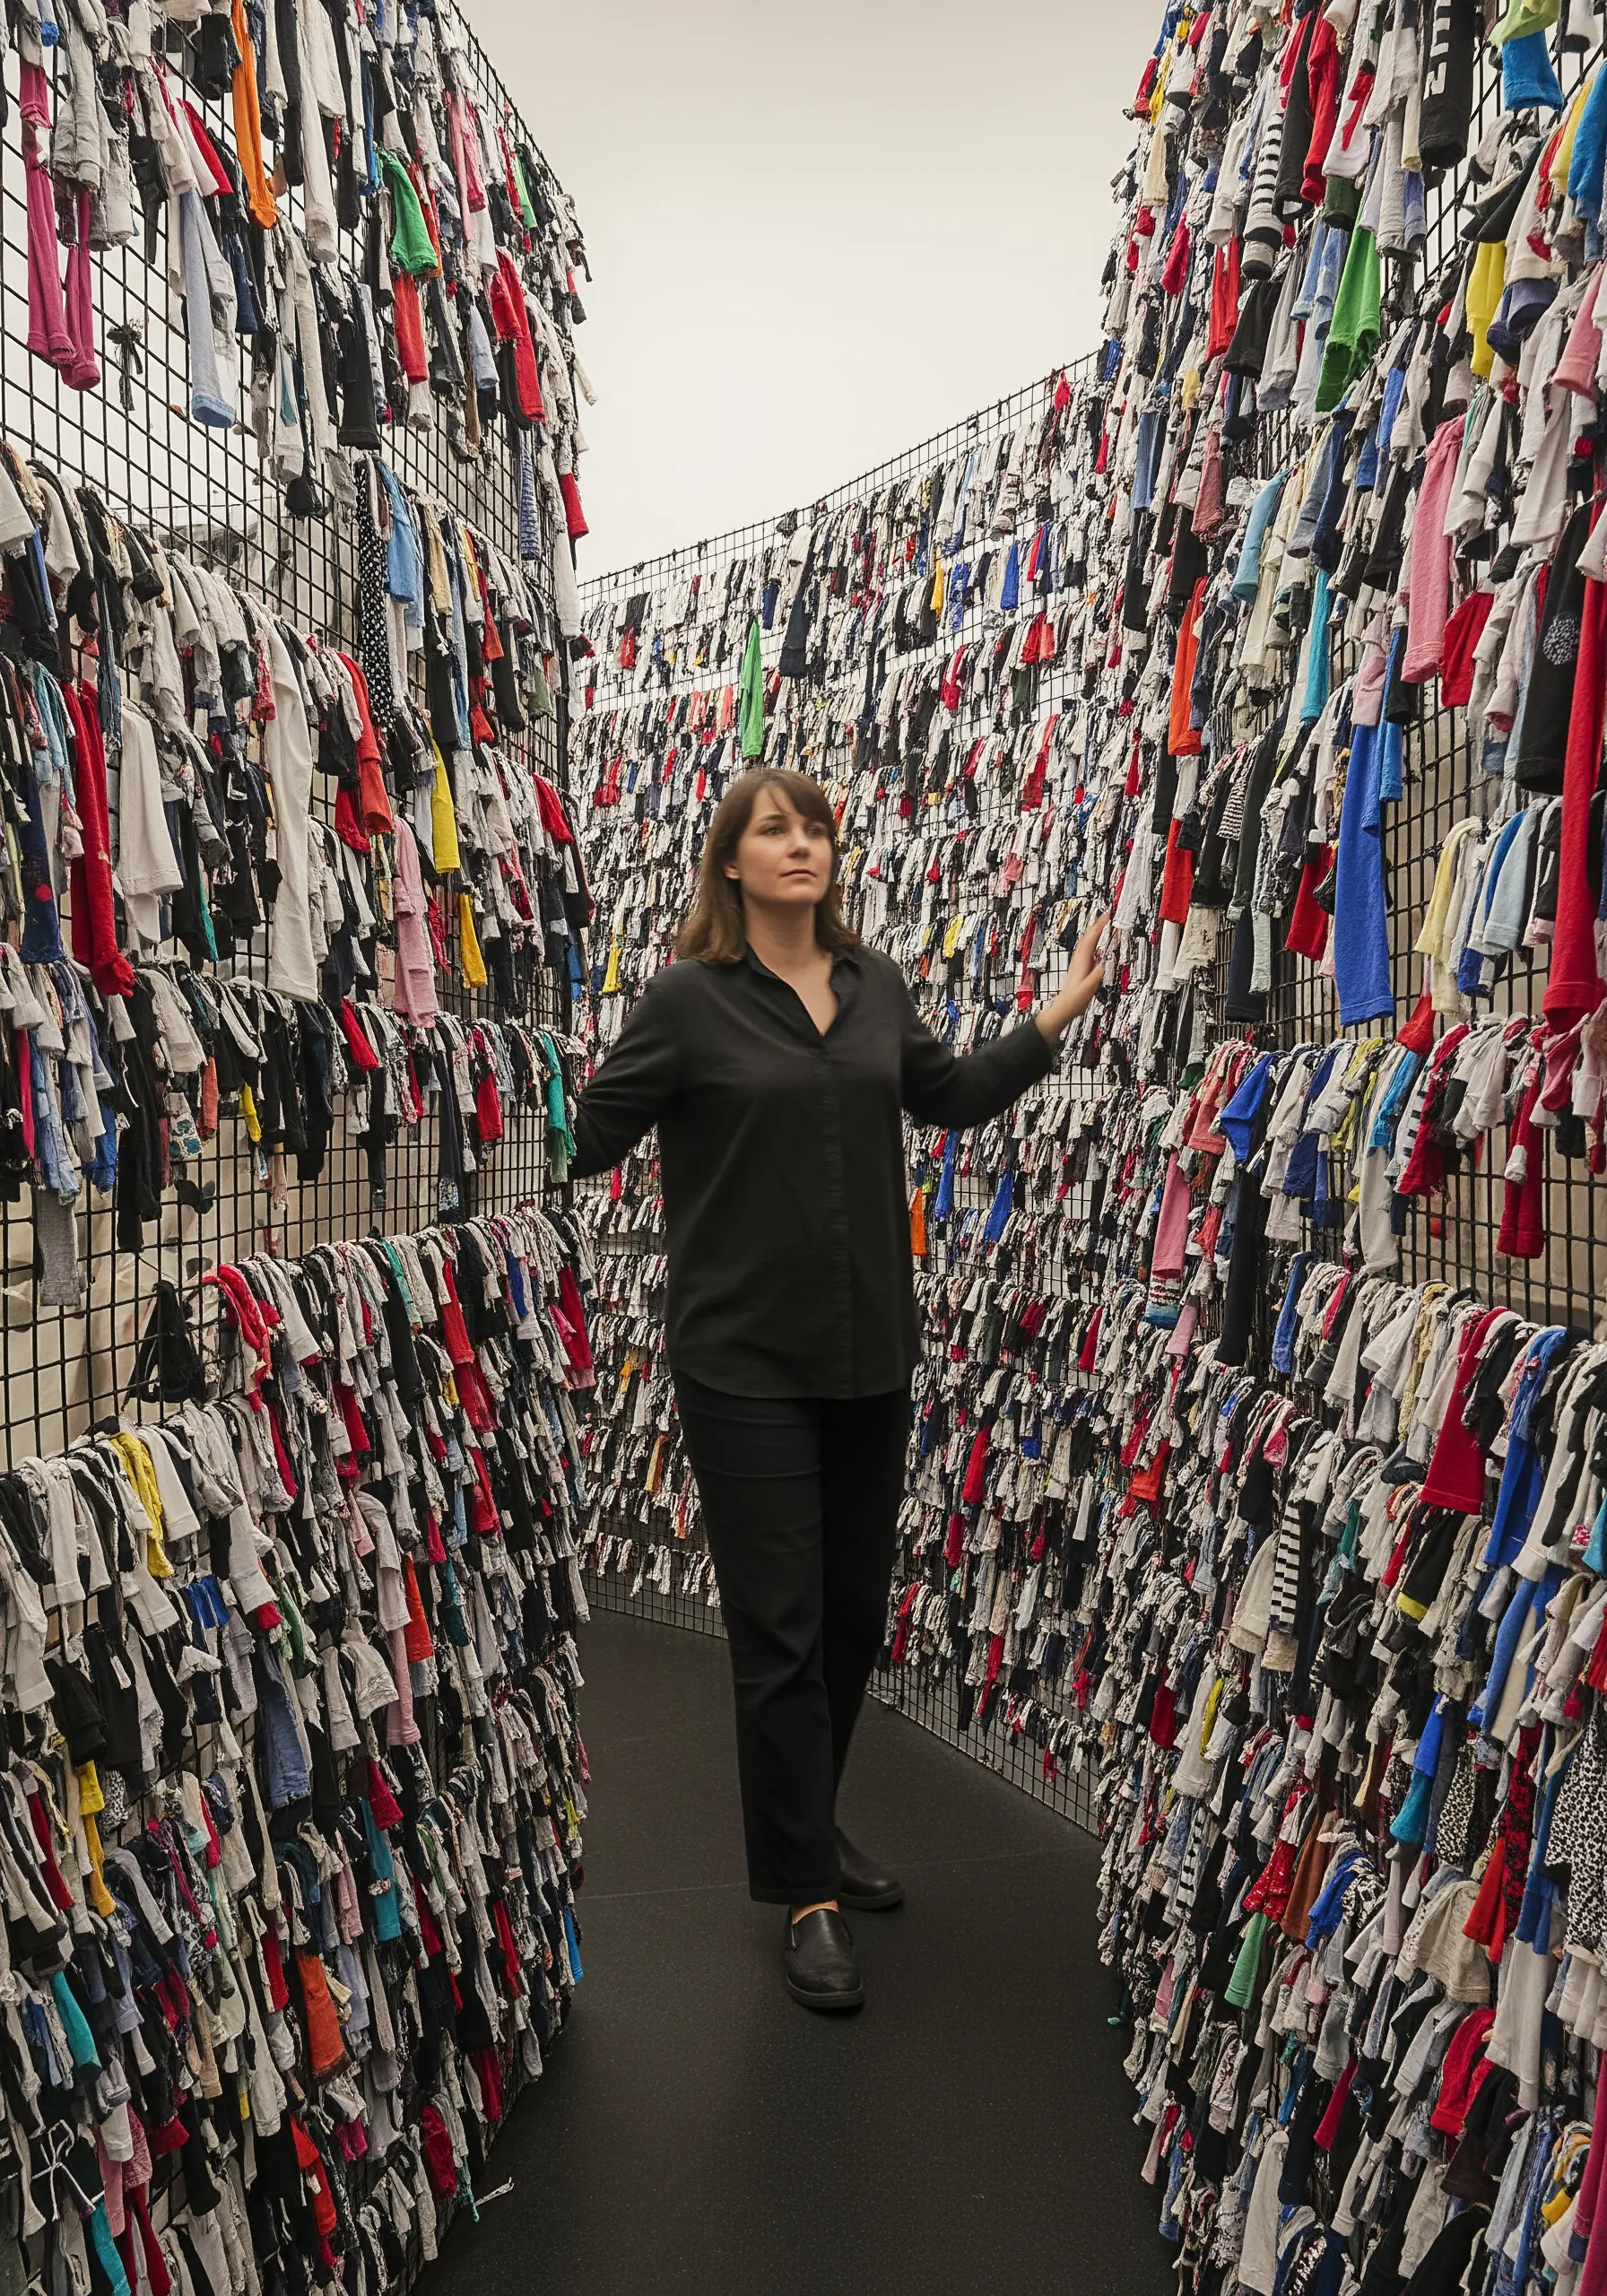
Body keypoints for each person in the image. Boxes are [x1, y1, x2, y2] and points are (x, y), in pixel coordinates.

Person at [567, 768, 1107, 2012]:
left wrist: (1058, 1009)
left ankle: (814, 1823)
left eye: (815, 827)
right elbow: (588, 1134)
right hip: (741, 1359)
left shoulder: (874, 989)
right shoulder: (686, 1003)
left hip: (869, 1352)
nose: (802, 843)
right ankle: (803, 1891)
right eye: (775, 829)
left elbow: (952, 1098)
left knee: (854, 1616)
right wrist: (510, 1079)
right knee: (779, 1632)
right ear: (731, 864)